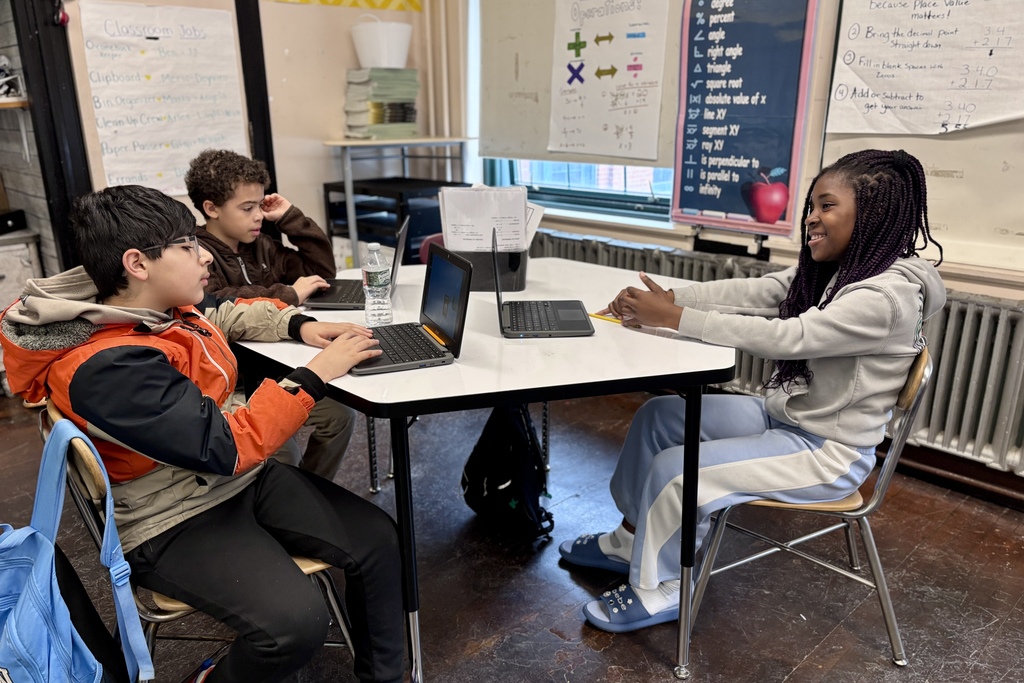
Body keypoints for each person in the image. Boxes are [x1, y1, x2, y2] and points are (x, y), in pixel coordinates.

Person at [0, 185, 405, 683]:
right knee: (293, 626)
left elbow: (216, 314)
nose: (203, 257)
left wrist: (298, 325)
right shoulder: (106, 368)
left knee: (378, 539)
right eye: (188, 247)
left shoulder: (151, 306)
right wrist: (314, 375)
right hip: (170, 514)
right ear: (138, 262)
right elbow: (228, 447)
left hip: (228, 479)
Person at [558, 149, 946, 633]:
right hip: (788, 419)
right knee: (659, 418)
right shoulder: (844, 268)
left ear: (869, 216)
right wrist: (671, 299)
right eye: (811, 206)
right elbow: (762, 292)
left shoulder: (883, 298)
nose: (811, 218)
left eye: (827, 206)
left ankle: (661, 588)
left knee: (675, 471)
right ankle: (628, 540)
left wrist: (675, 319)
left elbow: (792, 336)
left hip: (827, 451)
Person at [185, 148, 355, 479]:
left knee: (341, 416)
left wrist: (291, 216)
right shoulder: (197, 254)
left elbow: (321, 270)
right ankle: (290, 500)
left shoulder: (261, 246)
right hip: (239, 383)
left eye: (260, 205)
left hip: (280, 366)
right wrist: (288, 293)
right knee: (283, 452)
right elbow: (215, 301)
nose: (258, 216)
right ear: (211, 208)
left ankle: (313, 494)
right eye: (247, 208)